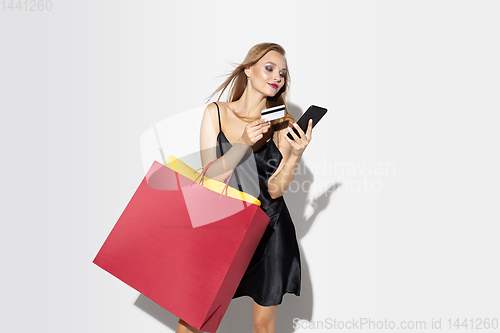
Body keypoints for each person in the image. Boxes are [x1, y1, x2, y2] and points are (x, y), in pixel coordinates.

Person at [176, 42, 313, 333]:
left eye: (283, 73)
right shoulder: (216, 113)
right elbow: (208, 175)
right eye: (269, 68)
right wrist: (243, 145)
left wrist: (296, 155)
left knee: (263, 326)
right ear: (248, 70)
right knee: (193, 319)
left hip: (269, 228)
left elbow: (275, 190)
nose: (277, 76)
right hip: (224, 225)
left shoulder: (281, 124)